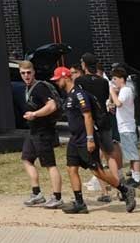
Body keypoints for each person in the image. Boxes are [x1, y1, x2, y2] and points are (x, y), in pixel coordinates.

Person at [55, 66, 132, 213]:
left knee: (97, 171)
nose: (56, 83)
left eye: (58, 79)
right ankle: (79, 203)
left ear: (65, 77)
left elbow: (88, 116)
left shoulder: (79, 94)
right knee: (71, 168)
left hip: (85, 138)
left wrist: (90, 138)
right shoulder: (69, 95)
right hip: (74, 138)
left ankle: (125, 190)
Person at [18, 61, 61, 207]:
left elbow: (52, 105)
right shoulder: (27, 88)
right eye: (23, 73)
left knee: (50, 164)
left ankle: (57, 197)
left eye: (28, 72)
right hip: (33, 131)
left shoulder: (40, 87)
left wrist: (35, 114)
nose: (26, 76)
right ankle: (37, 193)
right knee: (26, 159)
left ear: (34, 72)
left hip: (44, 131)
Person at [110, 64, 140, 186]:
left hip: (127, 127)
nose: (114, 82)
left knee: (133, 154)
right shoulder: (125, 90)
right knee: (130, 153)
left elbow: (119, 103)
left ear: (122, 79)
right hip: (125, 126)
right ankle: (134, 176)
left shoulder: (126, 90)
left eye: (115, 79)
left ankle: (137, 178)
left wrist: (112, 92)